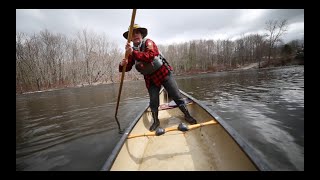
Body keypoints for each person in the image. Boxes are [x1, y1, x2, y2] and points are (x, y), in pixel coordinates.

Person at [119, 24, 197, 131]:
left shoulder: (148, 42)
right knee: (153, 101)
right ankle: (156, 121)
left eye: (137, 33)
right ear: (130, 38)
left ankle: (187, 115)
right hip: (150, 79)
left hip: (163, 73)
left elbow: (150, 56)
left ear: (141, 35)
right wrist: (122, 64)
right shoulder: (130, 51)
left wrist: (133, 53)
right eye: (133, 34)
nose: (135, 35)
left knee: (176, 95)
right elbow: (126, 68)